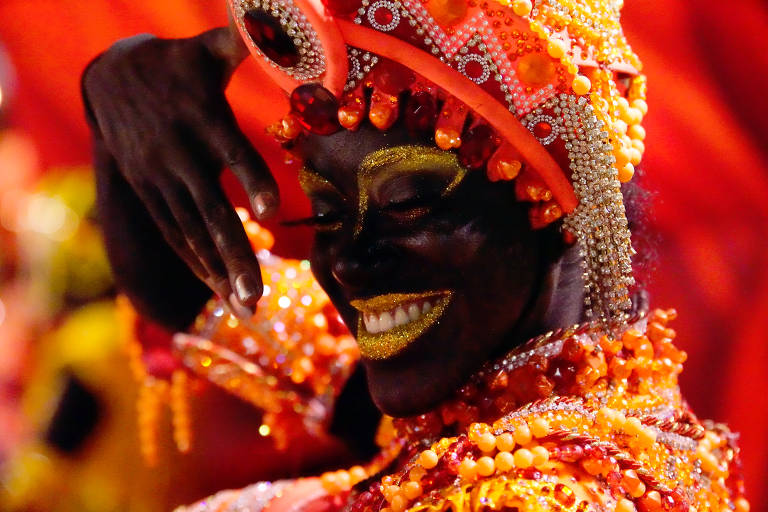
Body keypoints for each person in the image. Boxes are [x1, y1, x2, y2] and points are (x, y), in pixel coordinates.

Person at [81, 0, 749, 510]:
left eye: (405, 204)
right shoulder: (472, 412)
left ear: (559, 196)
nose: (346, 262)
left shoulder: (570, 486)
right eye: (325, 214)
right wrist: (115, 88)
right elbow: (196, 297)